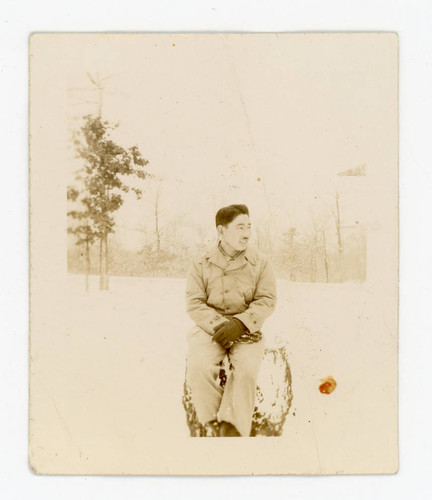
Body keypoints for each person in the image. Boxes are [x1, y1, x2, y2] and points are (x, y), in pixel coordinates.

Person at [185, 204, 277, 437]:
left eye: (249, 227)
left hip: (247, 329)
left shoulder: (261, 262)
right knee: (199, 367)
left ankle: (234, 429)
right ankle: (213, 425)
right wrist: (220, 325)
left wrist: (242, 323)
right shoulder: (200, 262)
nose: (246, 233)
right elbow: (194, 303)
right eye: (239, 228)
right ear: (222, 231)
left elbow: (266, 299)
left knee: (245, 371)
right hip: (211, 329)